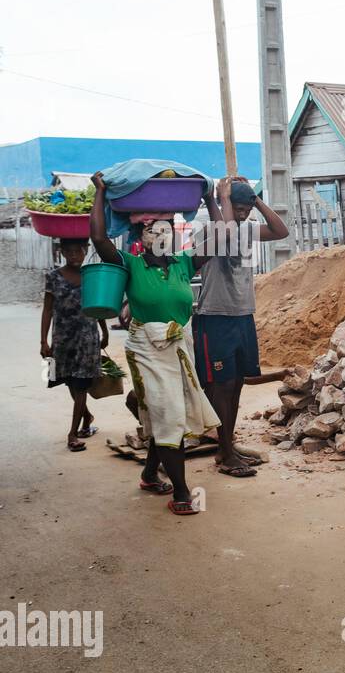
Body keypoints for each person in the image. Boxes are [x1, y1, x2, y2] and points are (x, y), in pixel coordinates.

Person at [89, 170, 221, 516]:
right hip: (146, 348)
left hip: (179, 346)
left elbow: (222, 239)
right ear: (142, 236)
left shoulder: (183, 263)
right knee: (169, 412)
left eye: (168, 229)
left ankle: (150, 473)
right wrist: (101, 192)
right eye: (154, 229)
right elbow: (100, 239)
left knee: (166, 410)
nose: (161, 234)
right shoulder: (130, 265)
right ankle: (181, 490)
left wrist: (209, 198)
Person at [191, 176, 289, 477]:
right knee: (220, 386)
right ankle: (225, 450)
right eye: (240, 208)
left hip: (242, 314)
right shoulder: (209, 228)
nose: (245, 214)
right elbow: (227, 232)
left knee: (235, 385)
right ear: (225, 205)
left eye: (248, 209)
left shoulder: (245, 227)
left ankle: (226, 447)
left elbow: (280, 230)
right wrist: (222, 197)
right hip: (215, 316)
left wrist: (255, 198)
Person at [39, 237, 110, 451]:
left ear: (86, 250)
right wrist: (44, 340)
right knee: (70, 381)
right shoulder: (53, 277)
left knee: (81, 385)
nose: (74, 255)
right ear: (61, 252)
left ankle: (72, 434)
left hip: (87, 339)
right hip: (63, 339)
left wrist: (105, 331)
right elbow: (47, 309)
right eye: (68, 251)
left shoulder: (91, 276)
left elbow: (98, 306)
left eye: (78, 251)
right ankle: (87, 416)